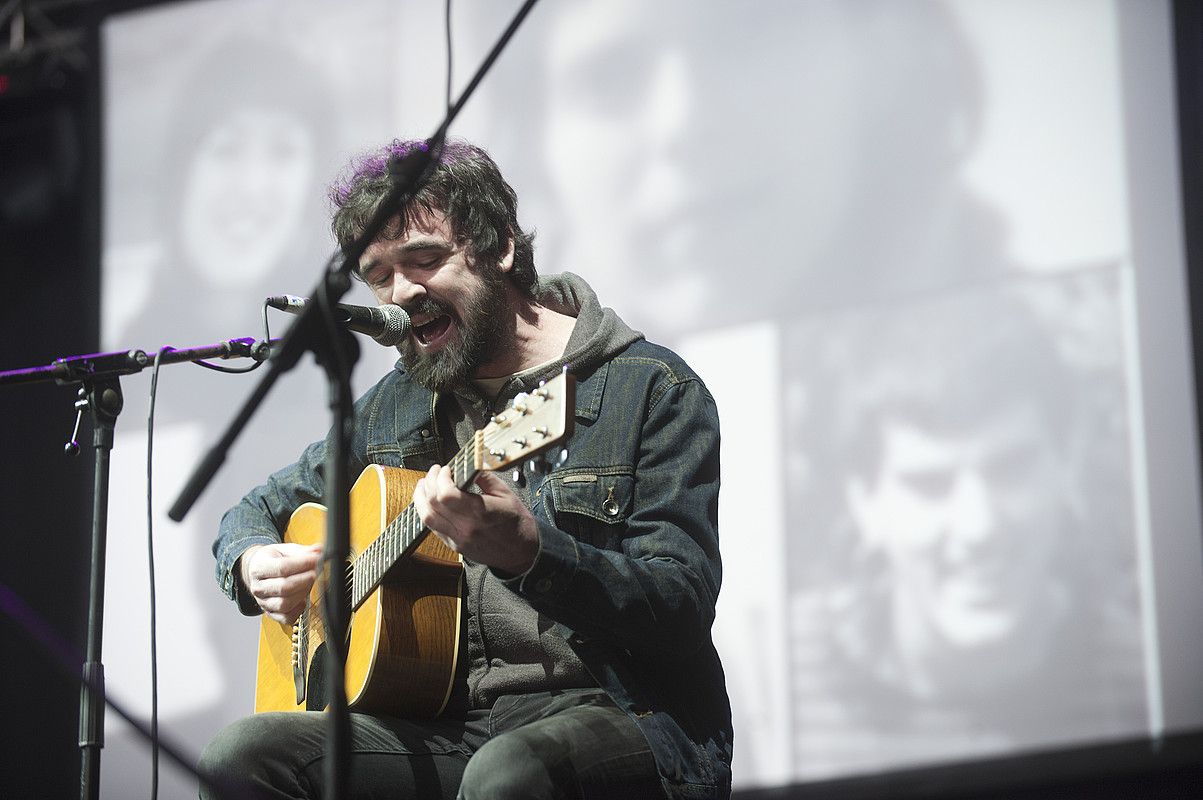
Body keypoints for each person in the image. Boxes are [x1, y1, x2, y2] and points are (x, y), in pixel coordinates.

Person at [197, 138, 732, 799]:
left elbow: (678, 607)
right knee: (242, 756)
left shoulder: (647, 388)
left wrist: (532, 554)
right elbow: (251, 514)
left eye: (423, 261)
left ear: (500, 248)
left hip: (617, 715)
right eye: (378, 274)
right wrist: (253, 564)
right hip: (447, 728)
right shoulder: (394, 406)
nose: (400, 295)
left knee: (507, 776)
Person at [783, 278, 1145, 776]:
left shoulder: (1150, 682)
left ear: (1067, 463)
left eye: (1011, 468)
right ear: (864, 502)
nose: (980, 527)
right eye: (930, 484)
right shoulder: (770, 687)